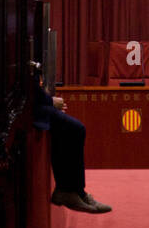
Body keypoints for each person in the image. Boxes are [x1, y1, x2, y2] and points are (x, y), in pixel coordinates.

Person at [33, 77, 111, 214]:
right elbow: (27, 87)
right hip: (31, 108)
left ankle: (78, 192)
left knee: (75, 128)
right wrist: (50, 101)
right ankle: (66, 191)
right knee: (74, 129)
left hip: (37, 104)